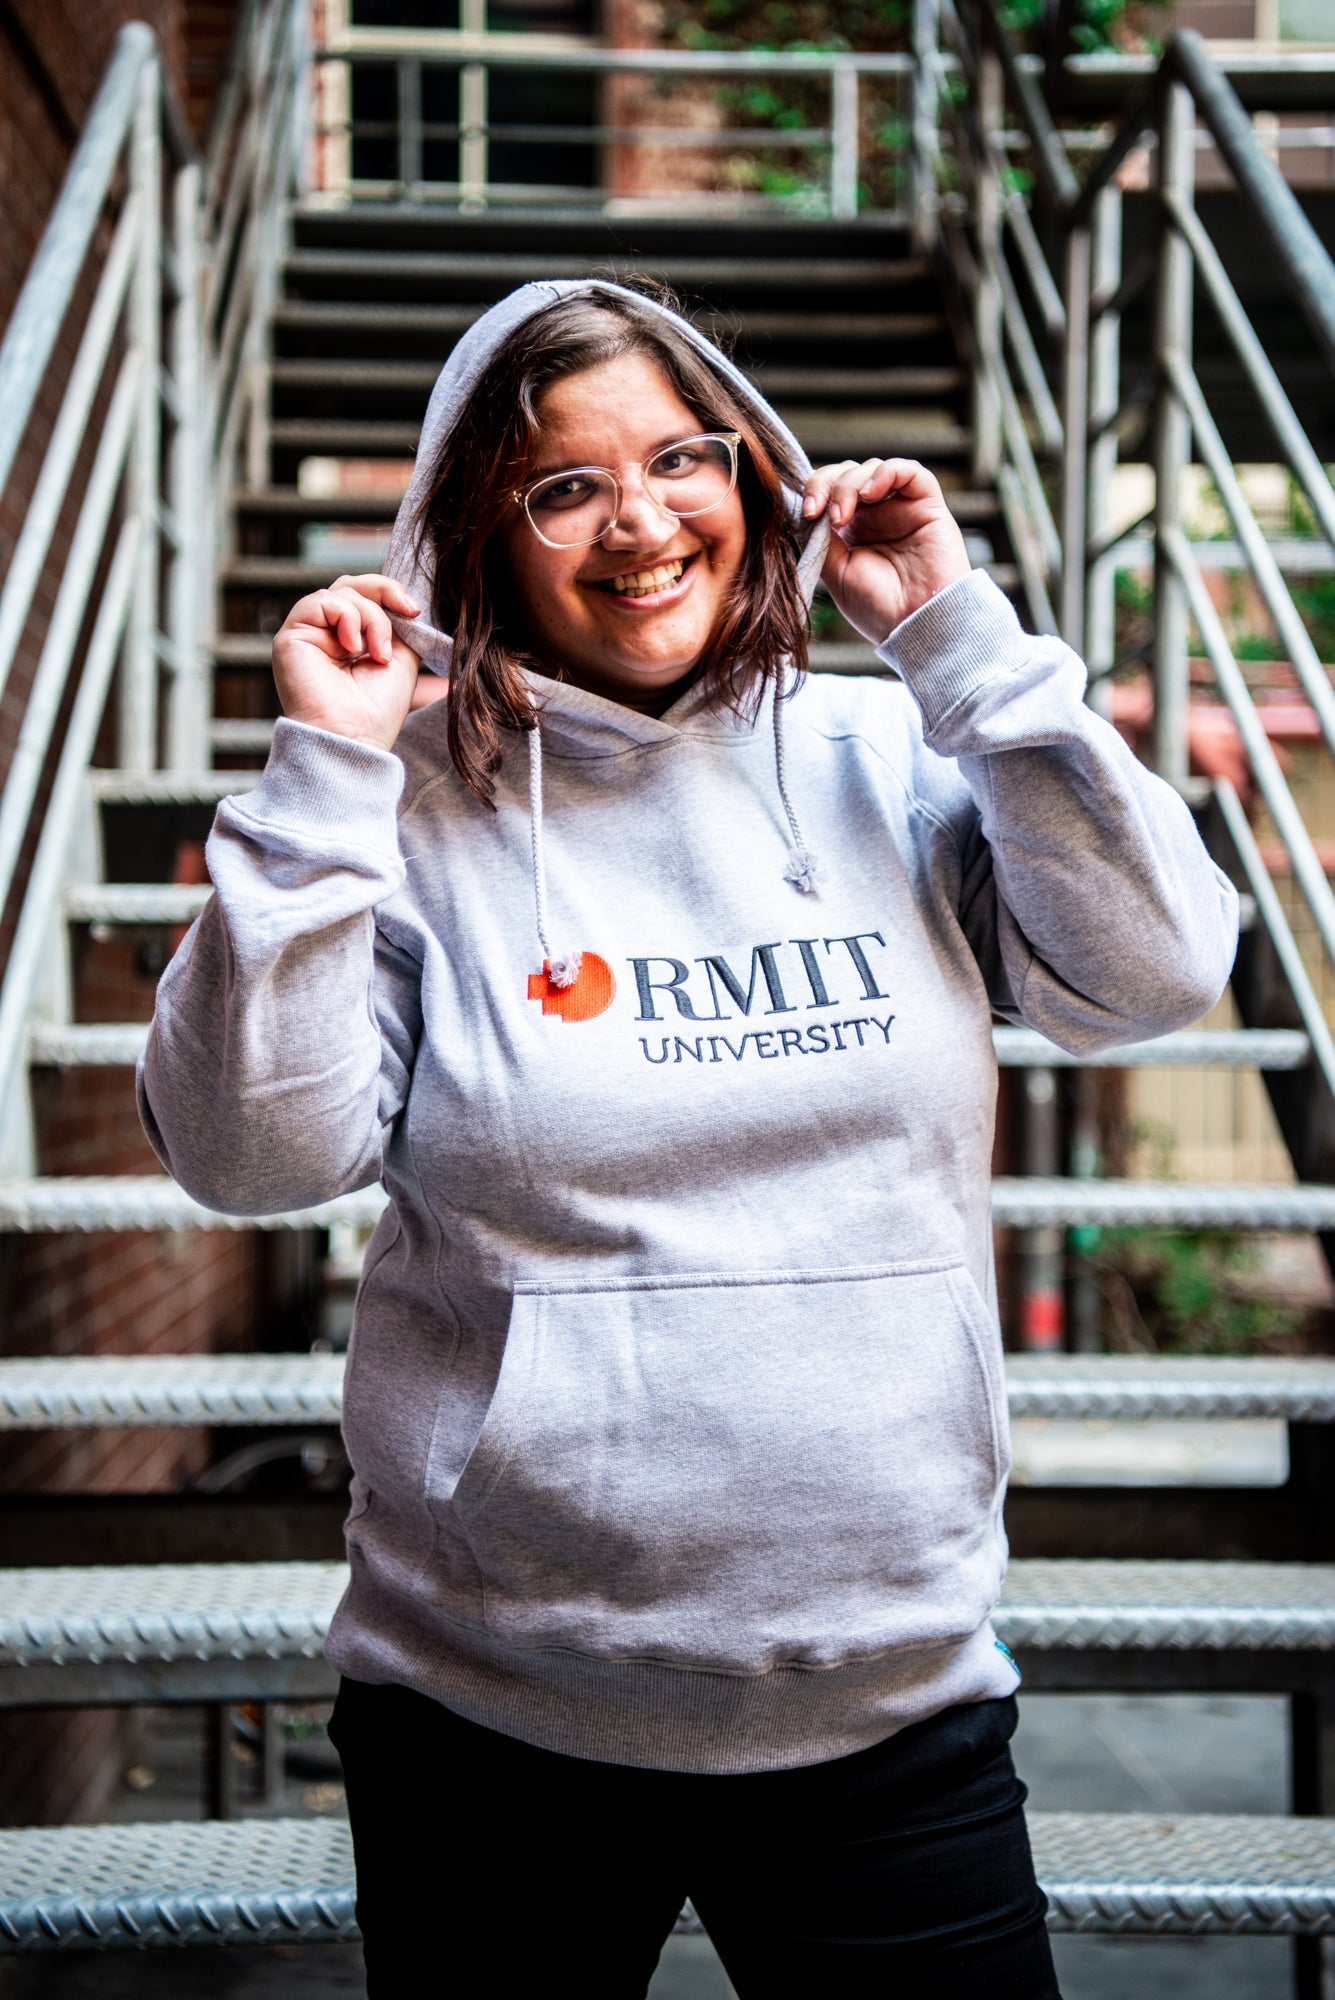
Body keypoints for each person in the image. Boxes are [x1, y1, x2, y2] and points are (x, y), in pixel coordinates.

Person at [138, 280, 1237, 1998]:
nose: (640, 522)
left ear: (752, 474)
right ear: (480, 537)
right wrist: (324, 785)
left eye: (680, 459)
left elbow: (1155, 974)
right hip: (495, 1713)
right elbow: (250, 1158)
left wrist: (958, 641)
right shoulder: (401, 810)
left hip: (889, 1698)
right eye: (562, 487)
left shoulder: (889, 753)